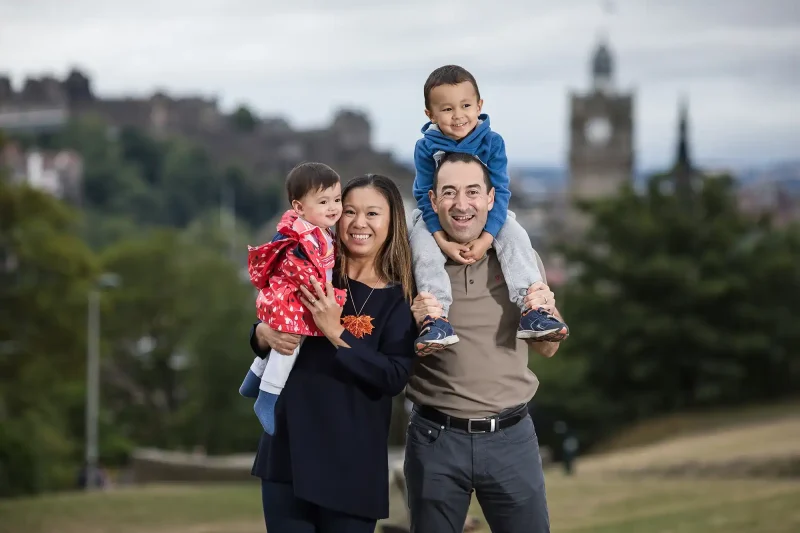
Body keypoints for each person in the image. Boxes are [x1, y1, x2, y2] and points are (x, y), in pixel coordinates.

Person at [404, 152, 565, 533]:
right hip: (435, 439)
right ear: (432, 200)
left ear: (492, 200)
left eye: (473, 192)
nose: (462, 204)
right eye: (450, 192)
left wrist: (550, 313)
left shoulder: (520, 260)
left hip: (512, 438)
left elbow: (548, 347)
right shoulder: (411, 264)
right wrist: (410, 324)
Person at [248, 174, 418, 533]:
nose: (359, 223)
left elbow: (393, 377)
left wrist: (336, 331)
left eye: (373, 214)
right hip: (288, 455)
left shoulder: (401, 299)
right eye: (350, 211)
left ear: (391, 222)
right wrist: (263, 334)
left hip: (352, 467)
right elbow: (269, 322)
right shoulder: (314, 271)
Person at [409, 65, 569, 354]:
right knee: (421, 245)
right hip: (433, 217)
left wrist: (485, 239)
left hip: (492, 215)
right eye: (447, 109)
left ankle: (533, 308)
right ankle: (435, 316)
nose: (458, 116)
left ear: (479, 106)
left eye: (466, 106)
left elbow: (500, 193)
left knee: (517, 236)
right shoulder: (425, 147)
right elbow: (423, 194)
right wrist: (440, 237)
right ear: (430, 114)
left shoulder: (491, 142)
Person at [239, 162, 347, 435]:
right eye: (323, 201)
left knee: (280, 339)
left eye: (337, 199)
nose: (333, 207)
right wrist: (327, 291)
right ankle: (268, 396)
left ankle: (254, 378)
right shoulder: (301, 236)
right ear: (299, 207)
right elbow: (301, 270)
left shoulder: (318, 230)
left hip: (297, 296)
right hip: (294, 297)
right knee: (290, 344)